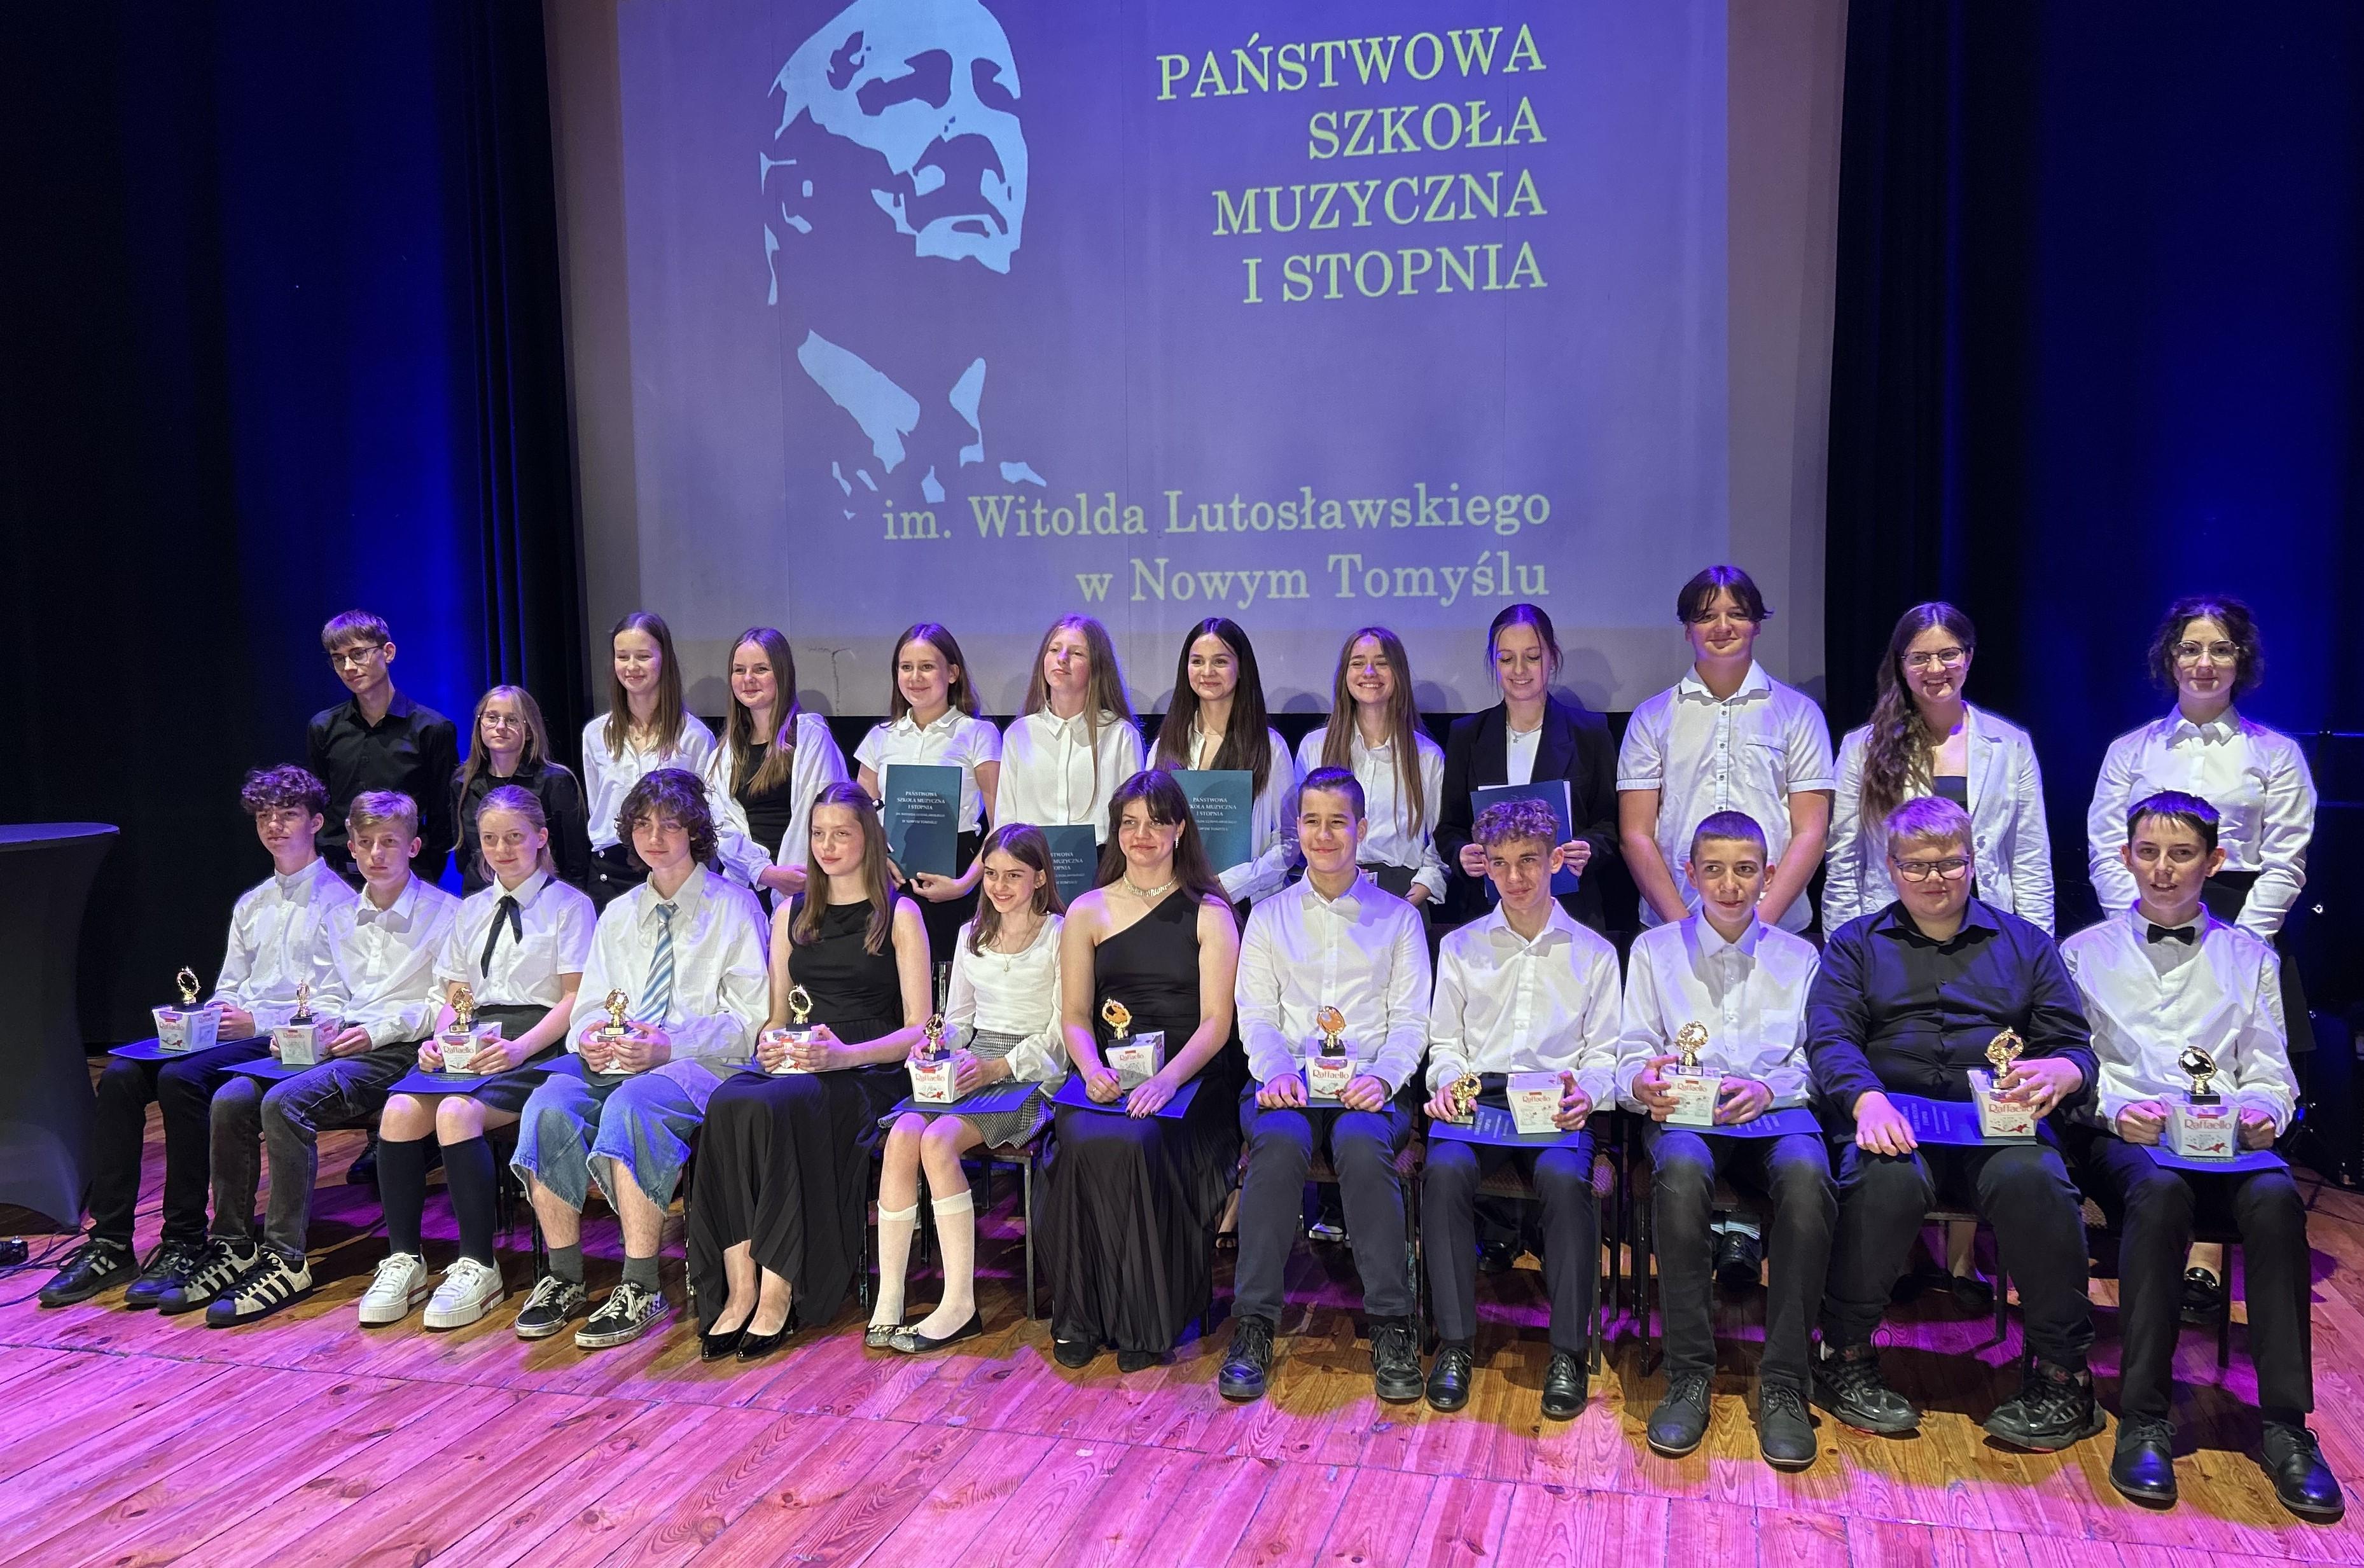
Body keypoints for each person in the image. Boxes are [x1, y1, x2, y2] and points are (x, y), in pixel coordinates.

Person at [2062, 791, 2339, 1522]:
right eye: (2147, 852)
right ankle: (2143, 1416)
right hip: (2129, 1139)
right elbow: (2074, 1063)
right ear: (2124, 858)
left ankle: (2285, 1426)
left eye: (2180, 853)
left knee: (2276, 1200)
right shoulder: (2082, 953)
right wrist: (2113, 1110)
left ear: (2212, 862)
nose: (2162, 869)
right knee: (2159, 1196)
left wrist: (2264, 1111)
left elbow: (2271, 1069)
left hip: (2226, 1142)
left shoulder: (2250, 957)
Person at [1804, 797, 2099, 1450]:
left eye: (1948, 863)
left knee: (2036, 1180)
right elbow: (1830, 1038)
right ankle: (1843, 1356)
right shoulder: (1854, 944)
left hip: (1998, 1123)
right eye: (1916, 865)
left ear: (1972, 861)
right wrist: (1864, 1098)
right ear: (1891, 867)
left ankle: (2064, 1376)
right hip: (1893, 1113)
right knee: (1884, 1177)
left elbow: (2073, 1046)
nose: (1933, 878)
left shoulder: (2026, 944)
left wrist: (2063, 1071)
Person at [38, 766, 358, 1310]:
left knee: (181, 1078)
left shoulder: (340, 902)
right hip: (238, 1029)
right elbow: (230, 985)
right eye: (264, 816)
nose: (274, 825)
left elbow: (340, 1002)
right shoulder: (253, 903)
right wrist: (210, 1016)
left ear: (316, 822)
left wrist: (255, 1021)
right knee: (120, 1076)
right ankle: (111, 1241)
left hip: (284, 1039)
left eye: (288, 815)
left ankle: (185, 1239)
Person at [2086, 595, 2321, 1315]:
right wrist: (2134, 930)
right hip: (2144, 914)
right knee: (2143, 1061)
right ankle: (2144, 1226)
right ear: (2170, 657)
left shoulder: (2274, 753)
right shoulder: (2130, 750)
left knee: (2224, 1068)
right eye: (2190, 647)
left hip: (2241, 921)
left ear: (2241, 660)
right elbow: (2106, 847)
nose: (2204, 661)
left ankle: (2206, 1261)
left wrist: (2239, 940)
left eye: (2220, 648)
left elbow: (2286, 856)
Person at [1826, 602, 2050, 1307]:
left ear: (1969, 656)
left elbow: (2029, 858)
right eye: (1919, 656)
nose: (1935, 667)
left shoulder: (2008, 745)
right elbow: (1844, 861)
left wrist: (2035, 956)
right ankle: (1898, 1251)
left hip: (1987, 942)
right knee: (1908, 1067)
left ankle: (1960, 1261)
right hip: (1891, 941)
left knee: (1977, 1070)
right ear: (1900, 665)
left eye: (1948, 653)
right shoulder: (1862, 746)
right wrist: (1846, 952)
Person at [510, 769, 768, 1348]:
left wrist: (669, 1045)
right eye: (643, 824)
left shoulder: (735, 907)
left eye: (670, 824)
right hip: (620, 1059)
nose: (655, 836)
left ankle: (641, 1284)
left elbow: (750, 1023)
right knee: (548, 1104)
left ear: (694, 831)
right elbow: (588, 1006)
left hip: (702, 1064)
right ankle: (565, 1275)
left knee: (633, 1105)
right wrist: (590, 1037)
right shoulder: (620, 913)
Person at [687, 782, 931, 1362]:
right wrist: (771, 1045)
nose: (827, 845)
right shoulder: (789, 913)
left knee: (781, 1106)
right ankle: (740, 1289)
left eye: (841, 833)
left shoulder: (900, 914)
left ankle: (780, 1292)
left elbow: (920, 1029)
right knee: (728, 1101)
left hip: (866, 1070)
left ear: (868, 838)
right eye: (819, 833)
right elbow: (777, 1017)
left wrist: (844, 1054)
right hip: (802, 1062)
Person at [1619, 810, 1832, 1469]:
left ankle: (1786, 1378)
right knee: (1681, 1170)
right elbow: (1631, 1051)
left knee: (1808, 1176)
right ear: (1689, 873)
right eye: (1713, 869)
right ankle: (1688, 1372)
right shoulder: (1654, 950)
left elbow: (1815, 1059)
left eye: (1744, 870)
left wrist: (1769, 1087)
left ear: (1770, 874)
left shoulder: (1800, 956)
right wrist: (1641, 1082)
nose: (1729, 885)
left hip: (1775, 1112)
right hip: (1687, 1115)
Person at [200, 791, 461, 1324]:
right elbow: (327, 994)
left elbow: (443, 1003)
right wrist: (307, 1030)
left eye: (389, 842)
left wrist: (375, 1031)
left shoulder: (446, 913)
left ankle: (285, 1258)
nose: (376, 854)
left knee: (285, 1102)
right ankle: (233, 1245)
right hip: (341, 1042)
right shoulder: (339, 915)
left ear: (413, 846)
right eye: (365, 843)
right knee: (231, 1097)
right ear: (352, 846)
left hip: (399, 1049)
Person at [1220, 768, 1432, 1405]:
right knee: (1279, 1143)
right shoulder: (1267, 917)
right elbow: (1256, 1014)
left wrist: (1382, 1077)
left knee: (1363, 1146)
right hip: (1284, 1080)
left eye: (1337, 821)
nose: (1324, 834)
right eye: (1311, 821)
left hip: (1370, 1084)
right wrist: (1276, 1070)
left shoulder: (1399, 919)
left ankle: (1392, 1323)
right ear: (1297, 828)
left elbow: (1411, 1021)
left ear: (1361, 828)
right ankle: (1253, 1325)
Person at [359, 786, 595, 1330]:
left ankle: (478, 1264)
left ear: (540, 837)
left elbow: (573, 997)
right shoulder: (470, 910)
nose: (502, 849)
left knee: (455, 1112)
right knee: (399, 1111)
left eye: (514, 837)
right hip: (476, 1033)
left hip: (537, 1039)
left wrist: (518, 1048)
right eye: (490, 839)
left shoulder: (569, 906)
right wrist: (440, 1040)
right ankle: (405, 1259)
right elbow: (456, 995)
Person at [1421, 797, 1618, 1421]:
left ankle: (1566, 1352)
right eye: (1501, 862)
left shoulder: (1593, 952)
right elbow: (1445, 1044)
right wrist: (1446, 1083)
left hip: (1553, 1102)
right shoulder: (1460, 946)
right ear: (1484, 865)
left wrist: (1589, 1093)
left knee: (1564, 1179)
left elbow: (1604, 1053)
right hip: (1481, 1096)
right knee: (1444, 1170)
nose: (1515, 876)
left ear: (1555, 859)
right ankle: (1455, 1343)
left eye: (1529, 860)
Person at [1041, 768, 1244, 1371]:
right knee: (1081, 1135)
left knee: (1140, 1139)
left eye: (1156, 822)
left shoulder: (1211, 913)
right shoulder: (1086, 910)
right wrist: (1090, 1067)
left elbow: (1217, 1024)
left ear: (1180, 828)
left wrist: (1167, 1079)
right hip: (1107, 1075)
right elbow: (1075, 1016)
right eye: (1129, 823)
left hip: (1191, 1079)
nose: (1142, 834)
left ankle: (1144, 1321)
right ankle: (1081, 1316)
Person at [873, 823, 1067, 1354]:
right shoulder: (970, 934)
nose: (1000, 886)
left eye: (1014, 875)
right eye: (991, 875)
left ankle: (960, 1303)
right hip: (975, 1058)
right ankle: (890, 1298)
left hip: (1031, 1069)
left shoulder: (1060, 934)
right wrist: (936, 1044)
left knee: (938, 1142)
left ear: (1040, 878)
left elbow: (1061, 1033)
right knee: (903, 1134)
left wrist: (999, 1066)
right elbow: (959, 1019)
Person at [1618, 565, 1835, 937]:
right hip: (1674, 924)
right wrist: (1683, 929)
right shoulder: (1651, 717)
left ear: (1756, 625)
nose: (1722, 627)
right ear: (1688, 629)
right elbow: (1636, 835)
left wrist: (1759, 925)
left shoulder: (1799, 713)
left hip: (1776, 928)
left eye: (1736, 614)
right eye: (1706, 617)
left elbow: (1811, 833)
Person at [1436, 602, 1620, 934]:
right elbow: (1449, 828)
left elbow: (1609, 823)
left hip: (1570, 913)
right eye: (1506, 659)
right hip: (1488, 914)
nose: (1519, 670)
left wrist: (1589, 849)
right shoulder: (1467, 736)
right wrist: (1462, 854)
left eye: (1532, 657)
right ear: (1494, 663)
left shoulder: (1589, 733)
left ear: (1552, 658)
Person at [854, 621, 1002, 965]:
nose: (915, 677)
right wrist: (879, 859)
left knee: (951, 972)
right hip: (892, 875)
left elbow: (1002, 823)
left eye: (926, 667)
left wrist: (966, 883)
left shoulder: (978, 734)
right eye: (906, 667)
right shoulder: (880, 737)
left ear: (952, 673)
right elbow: (859, 817)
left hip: (959, 871)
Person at [1149, 617, 1298, 908]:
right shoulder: (1164, 746)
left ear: (1241, 668)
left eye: (1220, 661)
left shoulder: (1270, 747)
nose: (1207, 672)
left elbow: (1290, 839)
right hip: (1175, 900)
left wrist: (1236, 882)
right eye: (1197, 661)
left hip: (1247, 902)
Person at [1295, 627, 1447, 908]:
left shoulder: (1427, 757)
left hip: (1401, 895)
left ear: (1399, 674)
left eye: (1381, 663)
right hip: (1326, 892)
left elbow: (1441, 840)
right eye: (1358, 663)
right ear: (1344, 674)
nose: (1369, 672)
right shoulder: (1314, 748)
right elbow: (1300, 830)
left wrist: (1416, 894)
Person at [581, 611, 720, 910]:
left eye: (643, 656)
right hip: (610, 872)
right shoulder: (595, 734)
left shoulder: (694, 736)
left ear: (664, 660)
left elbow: (706, 816)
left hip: (674, 869)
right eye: (623, 657)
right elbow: (598, 807)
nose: (632, 667)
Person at [307, 610, 459, 882]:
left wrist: (425, 874)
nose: (348, 667)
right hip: (338, 876)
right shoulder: (324, 727)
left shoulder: (432, 729)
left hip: (407, 876)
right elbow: (319, 807)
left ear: (388, 652)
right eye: (338, 659)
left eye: (358, 654)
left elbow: (443, 818)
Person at [706, 626, 850, 903]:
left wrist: (789, 878)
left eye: (761, 669)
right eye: (739, 670)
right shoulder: (723, 755)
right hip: (745, 889)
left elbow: (826, 816)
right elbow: (720, 829)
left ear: (782, 674)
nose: (748, 679)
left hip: (806, 886)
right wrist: (764, 872)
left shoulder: (811, 738)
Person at [996, 615, 1145, 844]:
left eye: (1077, 653)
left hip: (1101, 859)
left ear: (1097, 666)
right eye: (1054, 650)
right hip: (1032, 860)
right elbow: (1005, 820)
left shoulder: (1120, 735)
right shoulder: (1019, 734)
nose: (1062, 659)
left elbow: (1134, 818)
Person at [450, 684, 593, 895]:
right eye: (492, 718)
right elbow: (465, 857)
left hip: (544, 899)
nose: (500, 727)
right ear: (480, 724)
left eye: (512, 720)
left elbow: (576, 860)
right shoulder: (463, 783)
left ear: (529, 732)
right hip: (482, 896)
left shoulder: (555, 782)